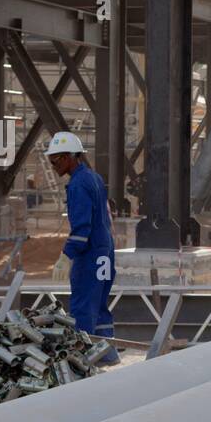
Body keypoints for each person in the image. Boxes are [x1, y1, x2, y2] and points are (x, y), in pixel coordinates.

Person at [45, 131, 119, 366]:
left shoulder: (77, 184)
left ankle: (83, 360)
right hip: (105, 251)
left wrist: (66, 256)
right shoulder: (94, 178)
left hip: (89, 255)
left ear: (68, 157)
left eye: (55, 160)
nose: (53, 165)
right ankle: (107, 353)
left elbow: (82, 228)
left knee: (83, 306)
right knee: (99, 306)